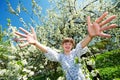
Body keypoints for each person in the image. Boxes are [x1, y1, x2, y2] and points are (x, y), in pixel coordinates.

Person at [15, 12, 117, 80]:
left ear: (72, 46)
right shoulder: (60, 57)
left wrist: (90, 36)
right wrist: (36, 43)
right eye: (65, 44)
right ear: (62, 45)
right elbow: (49, 52)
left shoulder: (75, 53)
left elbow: (80, 46)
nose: (68, 45)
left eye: (70, 44)